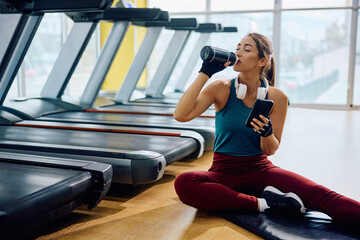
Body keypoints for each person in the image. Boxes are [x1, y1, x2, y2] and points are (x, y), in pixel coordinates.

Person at [173, 32, 360, 227]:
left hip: (260, 170)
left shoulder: (277, 97)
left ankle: (243, 199)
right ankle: (265, 204)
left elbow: (270, 149)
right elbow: (181, 115)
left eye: (246, 49)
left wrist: (267, 133)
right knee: (184, 182)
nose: (238, 53)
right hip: (223, 172)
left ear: (262, 60)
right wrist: (205, 73)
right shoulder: (220, 87)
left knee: (322, 196)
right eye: (237, 48)